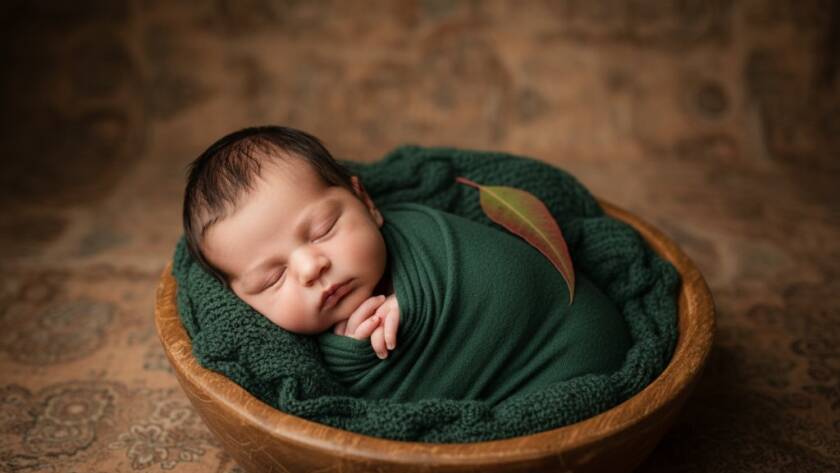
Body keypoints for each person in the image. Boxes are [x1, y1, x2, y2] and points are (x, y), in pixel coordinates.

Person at [182, 125, 401, 360]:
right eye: (273, 278)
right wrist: (354, 357)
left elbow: (444, 253)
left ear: (365, 202)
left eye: (322, 231)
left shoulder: (422, 236)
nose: (310, 269)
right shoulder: (294, 358)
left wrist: (411, 301)